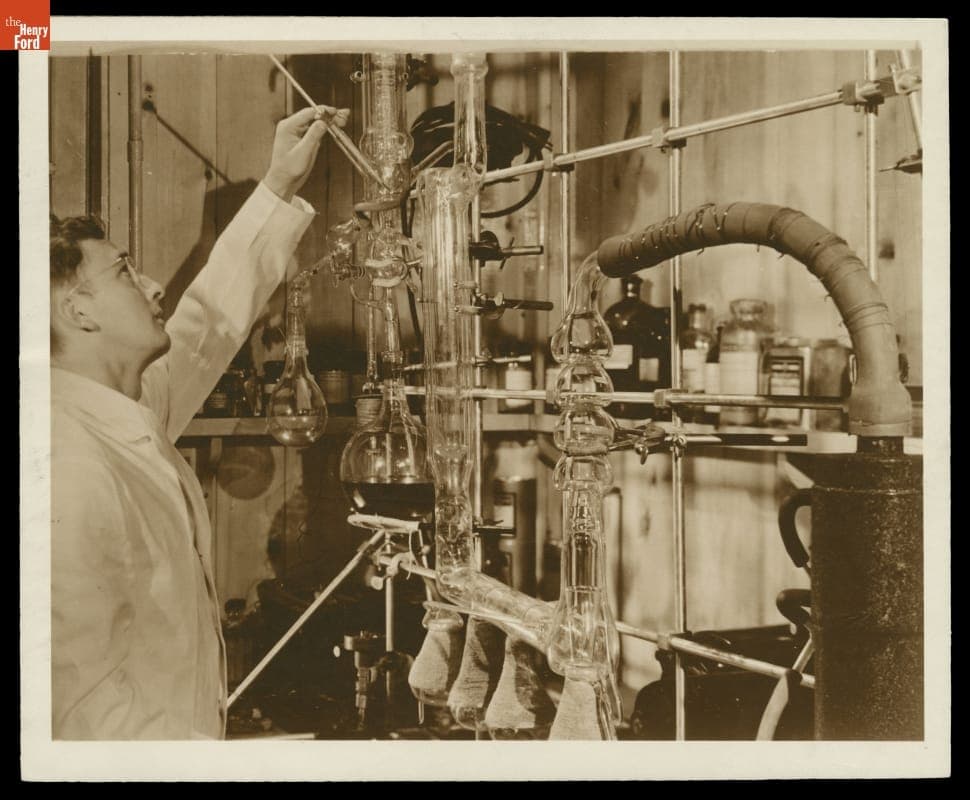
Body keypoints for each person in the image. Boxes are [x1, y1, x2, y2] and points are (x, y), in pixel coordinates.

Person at [49, 105, 349, 740]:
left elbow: (206, 325)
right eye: (125, 273)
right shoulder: (69, 467)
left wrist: (279, 186)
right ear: (78, 312)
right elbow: (82, 710)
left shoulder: (123, 408)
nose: (155, 287)